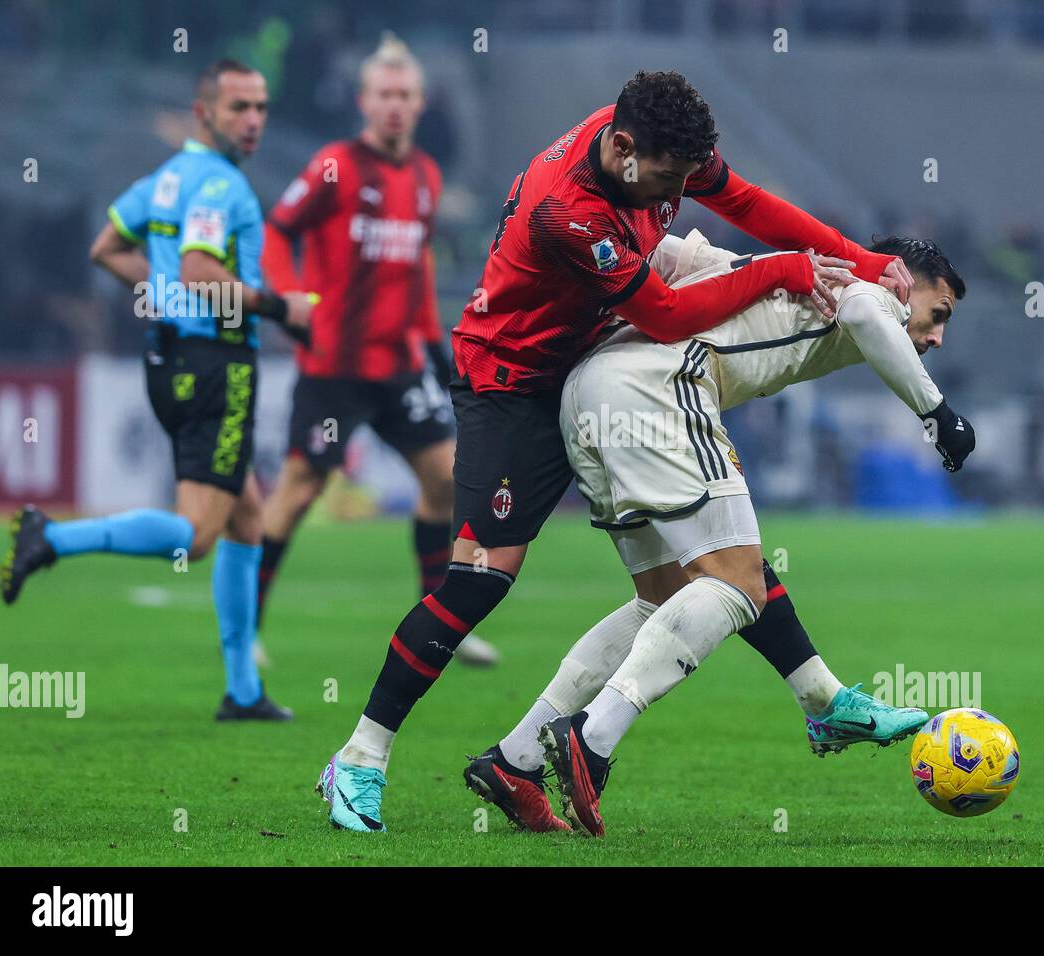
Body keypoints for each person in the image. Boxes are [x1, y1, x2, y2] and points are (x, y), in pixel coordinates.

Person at [316, 70, 915, 833]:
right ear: (625, 148)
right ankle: (360, 758)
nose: (679, 187)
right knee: (480, 580)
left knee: (705, 566)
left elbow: (748, 203)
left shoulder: (657, 144)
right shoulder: (567, 211)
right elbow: (663, 315)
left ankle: (520, 761)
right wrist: (785, 270)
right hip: (514, 382)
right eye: (669, 177)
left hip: (595, 372)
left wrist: (858, 261)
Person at [506, 230, 972, 835]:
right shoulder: (874, 287)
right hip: (663, 392)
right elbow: (863, 310)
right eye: (938, 315)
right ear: (903, 279)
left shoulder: (787, 268)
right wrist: (938, 414)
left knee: (667, 598)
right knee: (739, 587)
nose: (936, 336)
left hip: (592, 391)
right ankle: (593, 737)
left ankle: (516, 757)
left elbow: (662, 250)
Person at [0, 60, 314, 719]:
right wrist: (282, 309)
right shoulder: (220, 186)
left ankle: (243, 691)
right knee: (198, 535)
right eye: (238, 108)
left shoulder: (164, 178)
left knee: (247, 514)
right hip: (217, 363)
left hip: (167, 357)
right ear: (205, 113)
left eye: (259, 107)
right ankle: (51, 538)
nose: (253, 120)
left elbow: (106, 248)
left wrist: (159, 291)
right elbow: (201, 270)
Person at [257, 33, 497, 666]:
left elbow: (414, 262)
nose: (395, 105)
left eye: (405, 95)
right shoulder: (333, 166)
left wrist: (430, 338)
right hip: (334, 365)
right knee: (299, 491)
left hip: (396, 365)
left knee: (444, 479)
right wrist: (288, 297)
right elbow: (278, 232)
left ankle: (438, 624)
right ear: (364, 101)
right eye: (384, 94)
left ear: (420, 103)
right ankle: (243, 633)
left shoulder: (424, 174)